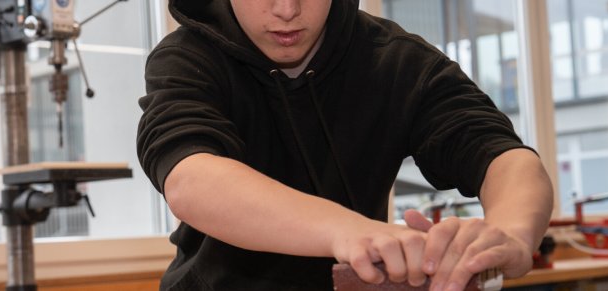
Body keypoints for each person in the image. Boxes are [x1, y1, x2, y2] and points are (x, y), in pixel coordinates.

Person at [135, 0, 554, 290]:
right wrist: (355, 234)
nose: (286, 9)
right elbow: (192, 179)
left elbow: (504, 156)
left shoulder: (396, 61)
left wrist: (513, 236)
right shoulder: (188, 58)